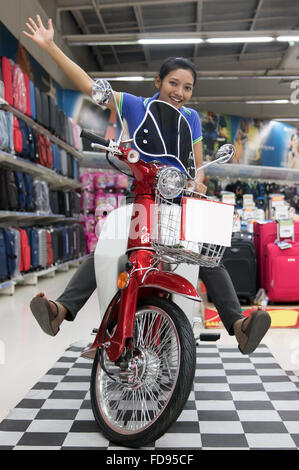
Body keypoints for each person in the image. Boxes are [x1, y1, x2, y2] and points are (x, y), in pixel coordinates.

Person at [24, 15, 271, 355]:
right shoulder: (135, 105)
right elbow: (90, 87)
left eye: (187, 87)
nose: (180, 92)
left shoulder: (192, 119)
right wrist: (51, 46)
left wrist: (198, 182)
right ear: (158, 81)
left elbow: (198, 165)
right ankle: (61, 311)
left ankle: (239, 325)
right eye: (174, 83)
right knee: (109, 247)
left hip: (178, 201)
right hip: (143, 195)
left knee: (208, 255)